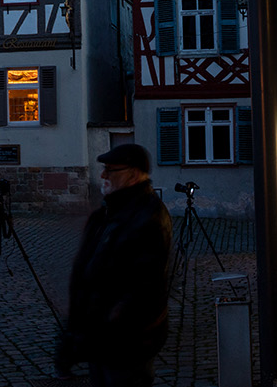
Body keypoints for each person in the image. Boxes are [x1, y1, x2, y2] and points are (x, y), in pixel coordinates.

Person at [61, 142, 173, 386]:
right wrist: (73, 334)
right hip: (100, 339)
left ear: (132, 175)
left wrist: (109, 327)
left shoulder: (148, 217)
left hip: (126, 343)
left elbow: (143, 288)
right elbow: (84, 271)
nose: (103, 175)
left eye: (111, 170)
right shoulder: (107, 212)